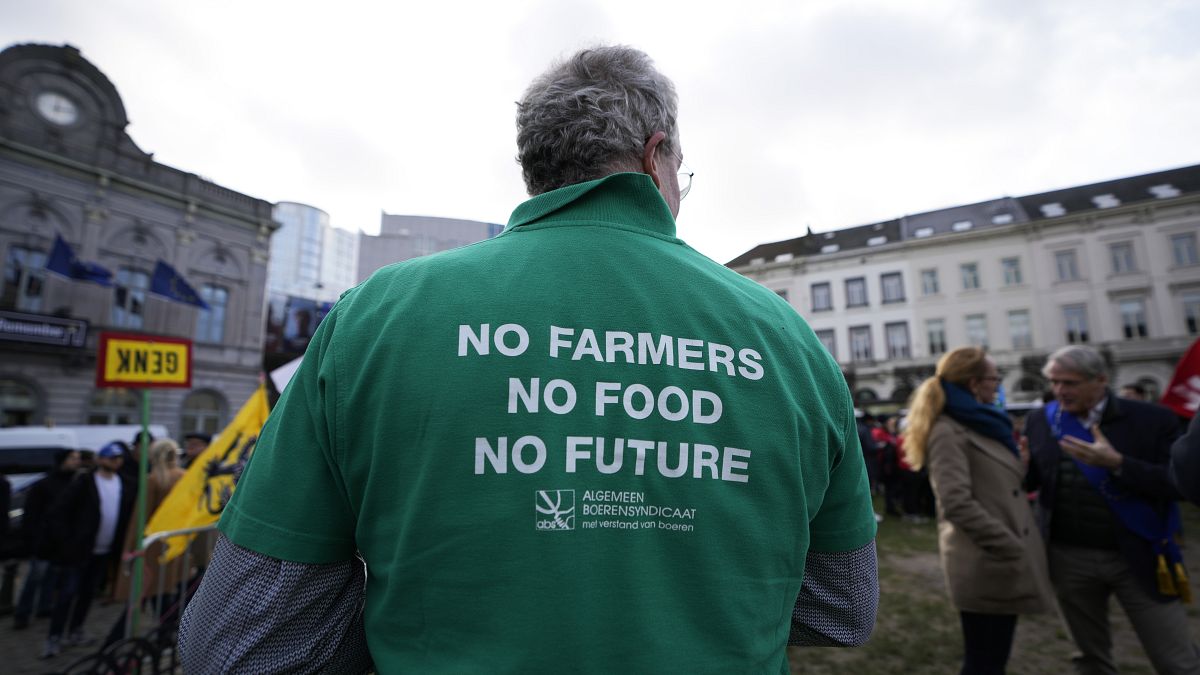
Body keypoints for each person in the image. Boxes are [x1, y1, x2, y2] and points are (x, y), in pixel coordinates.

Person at [179, 45, 879, 673]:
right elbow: (839, 611)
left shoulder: (379, 314)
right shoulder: (788, 341)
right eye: (681, 172)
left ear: (536, 168)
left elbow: (241, 641)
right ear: (653, 154)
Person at [1025, 345, 1200, 674]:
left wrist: (1119, 465)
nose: (1060, 391)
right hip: (1068, 558)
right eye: (1054, 382)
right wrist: (1019, 470)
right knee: (1090, 659)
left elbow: (1179, 484)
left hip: (1139, 556)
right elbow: (1037, 481)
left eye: (1070, 383)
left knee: (1175, 660)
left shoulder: (1152, 419)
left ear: (1100, 380)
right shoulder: (1040, 420)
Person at [903, 347, 1054, 674]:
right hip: (986, 558)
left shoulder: (986, 423)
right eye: (994, 379)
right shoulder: (948, 429)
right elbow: (955, 501)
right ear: (974, 384)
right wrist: (1009, 544)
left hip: (1001, 556)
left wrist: (1020, 467)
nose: (997, 384)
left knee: (993, 658)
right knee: (984, 661)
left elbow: (999, 486)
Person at [41, 441, 133, 658]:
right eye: (111, 458)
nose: (116, 462)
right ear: (100, 459)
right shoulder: (84, 482)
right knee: (67, 594)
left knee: (87, 594)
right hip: (79, 550)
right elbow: (58, 512)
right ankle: (54, 636)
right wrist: (67, 542)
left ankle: (76, 630)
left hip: (104, 551)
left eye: (119, 458)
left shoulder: (125, 483)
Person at [106, 438, 188, 645]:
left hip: (152, 547)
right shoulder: (184, 477)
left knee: (144, 594)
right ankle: (165, 638)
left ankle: (114, 643)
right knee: (162, 594)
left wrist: (130, 548)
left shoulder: (153, 479)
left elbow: (139, 519)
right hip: (174, 545)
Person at [12, 449, 81, 629]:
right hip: (43, 540)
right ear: (62, 461)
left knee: (51, 575)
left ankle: (44, 606)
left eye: (78, 459)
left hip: (60, 540)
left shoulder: (74, 483)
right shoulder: (44, 485)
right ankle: (23, 613)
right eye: (73, 458)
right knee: (36, 577)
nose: (77, 462)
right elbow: (32, 514)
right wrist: (32, 538)